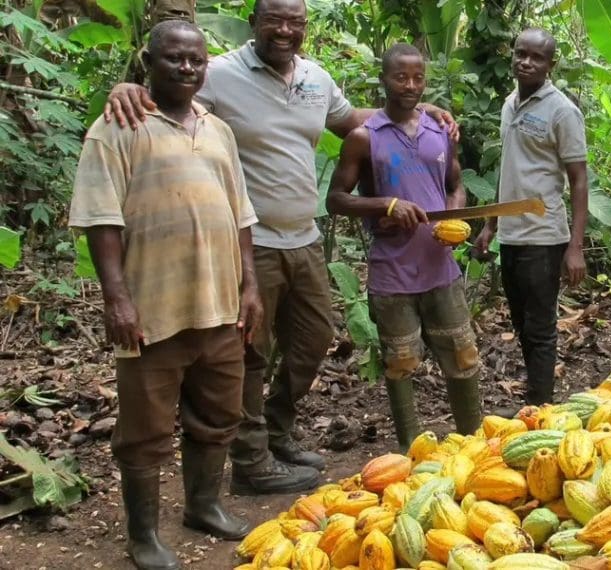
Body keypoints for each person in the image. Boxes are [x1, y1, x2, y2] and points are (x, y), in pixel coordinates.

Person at [102, 0, 460, 494]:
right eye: (274, 20)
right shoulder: (219, 73)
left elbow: (352, 120)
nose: (285, 30)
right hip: (250, 240)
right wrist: (127, 89)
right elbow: (168, 96)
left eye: (296, 22)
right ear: (254, 23)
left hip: (304, 236)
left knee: (313, 340)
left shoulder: (315, 78)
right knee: (250, 351)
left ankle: (276, 430)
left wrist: (418, 111)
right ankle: (251, 461)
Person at [70, 20, 259, 570]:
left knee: (218, 413)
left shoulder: (217, 129)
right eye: (174, 58)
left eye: (196, 59)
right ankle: (144, 535)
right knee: (145, 429)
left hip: (219, 305)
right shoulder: (118, 126)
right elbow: (101, 218)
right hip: (152, 308)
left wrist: (250, 284)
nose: (187, 67)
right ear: (149, 62)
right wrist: (117, 297)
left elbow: (240, 214)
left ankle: (203, 505)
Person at [326, 43, 483, 450]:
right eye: (401, 77)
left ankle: (475, 444)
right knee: (401, 362)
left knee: (462, 355)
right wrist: (387, 205)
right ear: (384, 80)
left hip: (440, 267)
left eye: (418, 78)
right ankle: (411, 452)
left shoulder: (439, 132)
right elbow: (336, 200)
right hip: (393, 271)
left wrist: (453, 217)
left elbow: (455, 185)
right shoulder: (364, 138)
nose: (410, 85)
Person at [473, 28, 588, 411]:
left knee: (540, 326)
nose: (526, 62)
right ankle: (535, 398)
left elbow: (579, 180)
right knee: (522, 322)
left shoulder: (562, 111)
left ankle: (542, 407)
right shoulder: (510, 103)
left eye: (536, 57)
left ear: (550, 64)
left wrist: (575, 247)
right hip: (511, 234)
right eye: (520, 54)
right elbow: (509, 168)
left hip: (544, 235)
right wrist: (491, 223)